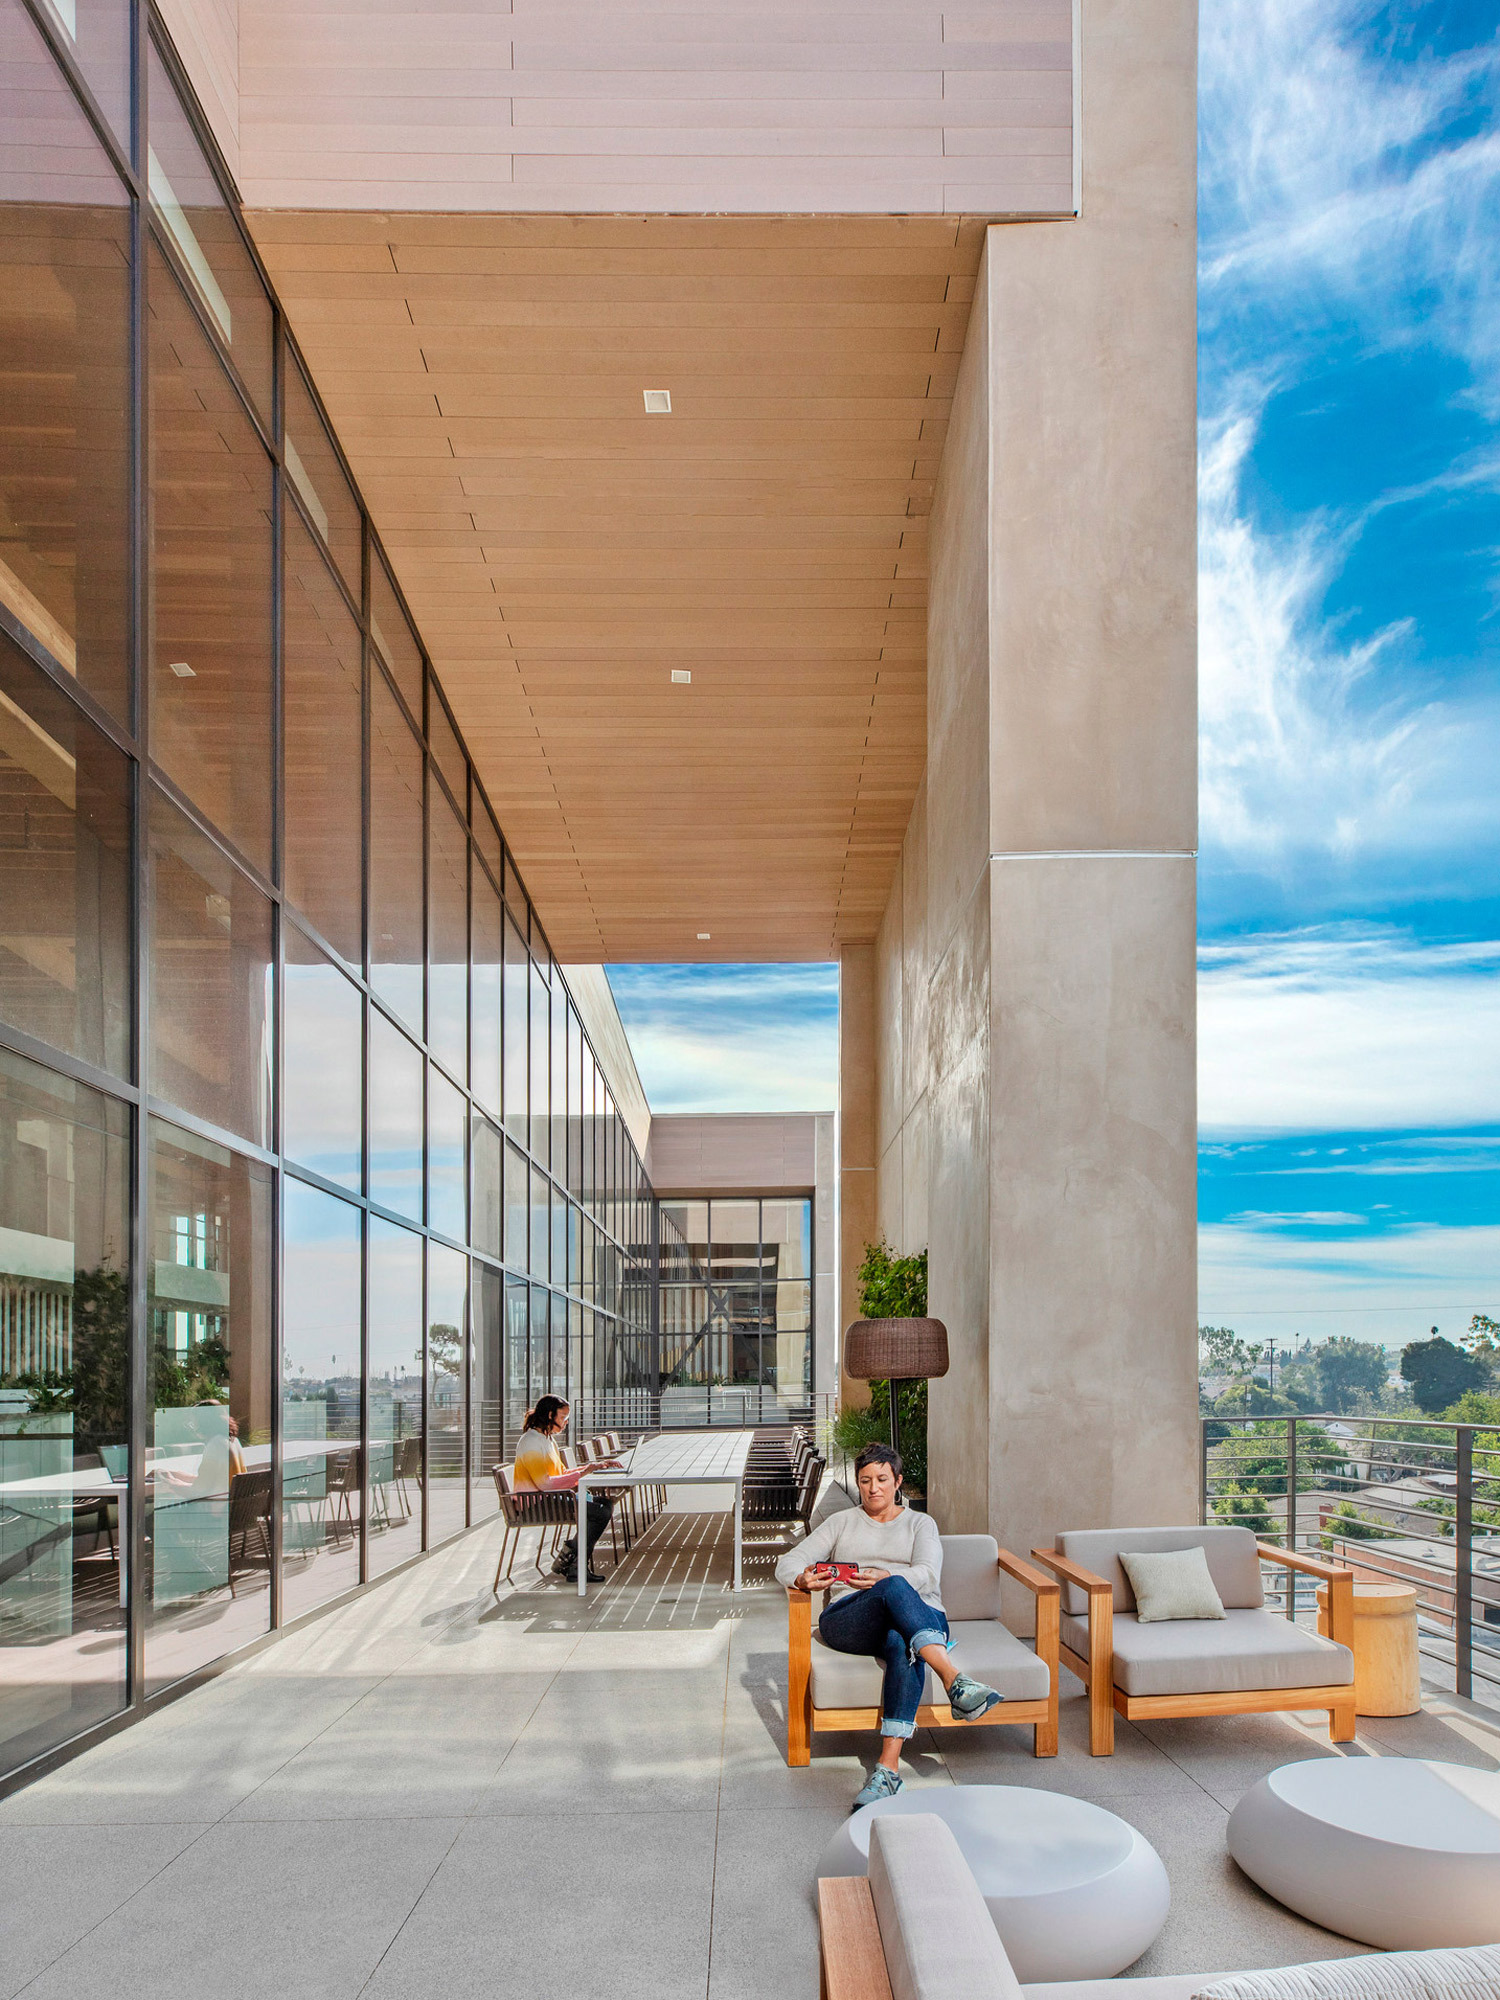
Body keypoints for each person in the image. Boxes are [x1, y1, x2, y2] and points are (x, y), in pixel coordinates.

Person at [774, 1441, 1002, 1808]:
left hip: (917, 1615)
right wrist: (801, 1580)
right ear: (858, 1483)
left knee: (901, 1640)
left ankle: (887, 1769)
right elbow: (788, 1560)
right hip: (850, 1619)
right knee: (893, 1587)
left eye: (882, 1479)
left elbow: (928, 1574)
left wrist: (885, 1575)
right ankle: (952, 1679)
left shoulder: (920, 1523)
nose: (873, 1488)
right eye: (865, 1481)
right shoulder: (841, 1522)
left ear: (897, 1482)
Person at [512, 1395, 618, 1584]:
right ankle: (574, 1565)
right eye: (563, 1417)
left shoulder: (547, 1439)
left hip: (550, 1498)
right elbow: (545, 1484)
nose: (566, 1422)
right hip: (536, 1504)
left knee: (605, 1504)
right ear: (550, 1415)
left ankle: (567, 1560)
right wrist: (584, 1472)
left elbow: (561, 1473)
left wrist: (593, 1467)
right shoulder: (531, 1442)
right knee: (599, 1513)